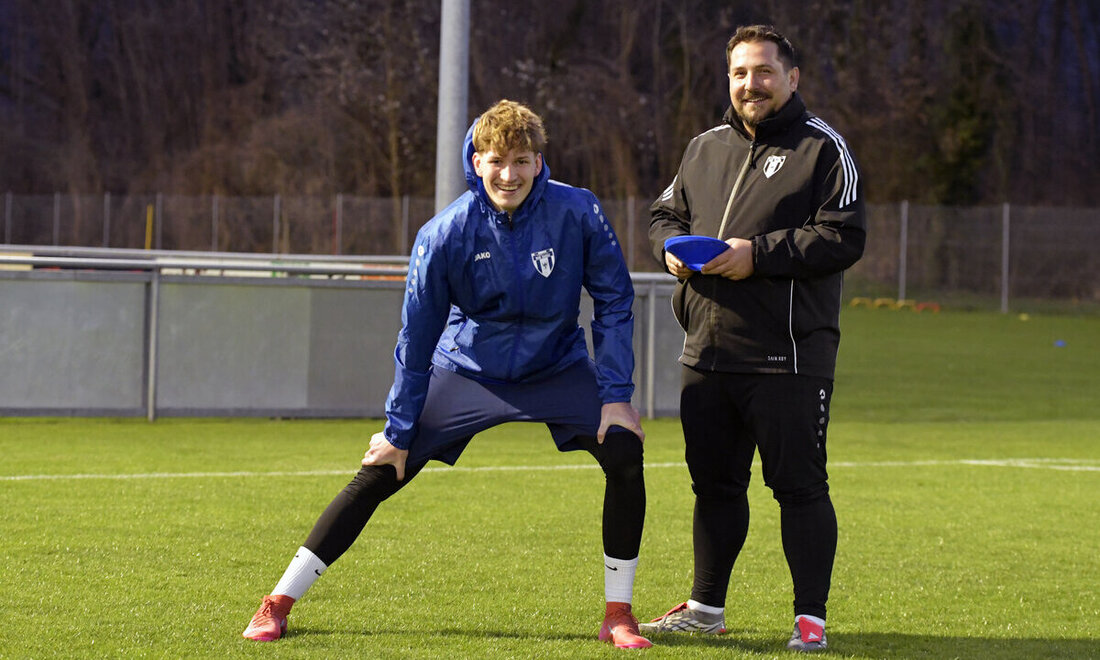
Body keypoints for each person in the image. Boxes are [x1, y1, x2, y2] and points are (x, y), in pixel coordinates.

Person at [242, 99, 652, 650]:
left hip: (556, 367)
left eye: (523, 161)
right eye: (498, 160)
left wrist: (616, 395)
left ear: (539, 161)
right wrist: (397, 426)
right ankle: (278, 602)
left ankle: (618, 615)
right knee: (383, 469)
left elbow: (614, 301)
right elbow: (416, 337)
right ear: (477, 160)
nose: (509, 174)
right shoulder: (445, 232)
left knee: (623, 451)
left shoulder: (578, 211)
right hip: (469, 371)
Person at [642, 25, 866, 653]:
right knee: (713, 487)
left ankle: (810, 621)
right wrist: (669, 253)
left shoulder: (823, 150)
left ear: (791, 78)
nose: (751, 84)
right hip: (707, 353)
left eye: (764, 72)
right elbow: (664, 215)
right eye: (740, 73)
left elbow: (844, 236)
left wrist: (757, 255)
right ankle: (706, 608)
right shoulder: (704, 147)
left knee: (798, 488)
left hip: (788, 356)